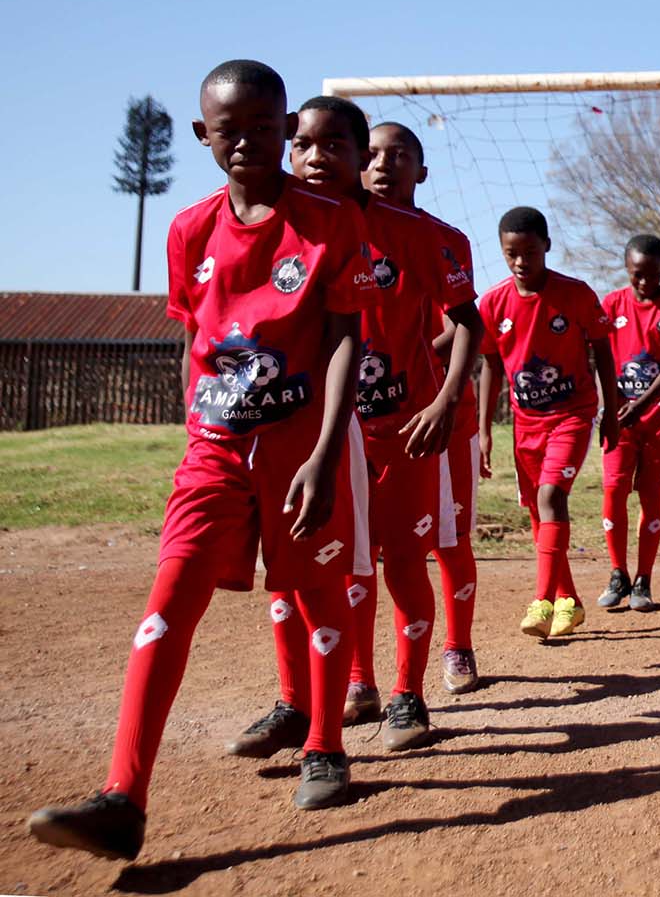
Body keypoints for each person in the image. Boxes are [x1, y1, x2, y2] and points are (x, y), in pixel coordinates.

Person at [29, 61, 377, 859]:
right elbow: (193, 331)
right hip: (215, 448)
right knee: (171, 595)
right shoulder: (188, 228)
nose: (247, 140)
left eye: (264, 127)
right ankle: (123, 796)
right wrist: (197, 426)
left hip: (299, 443)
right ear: (203, 135)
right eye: (230, 129)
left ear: (286, 131)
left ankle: (325, 743)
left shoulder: (330, 222)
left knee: (316, 591)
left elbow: (344, 338)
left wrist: (325, 451)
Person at [239, 97, 479, 755]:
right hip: (310, 432)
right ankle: (335, 690)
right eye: (305, 145)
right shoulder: (279, 224)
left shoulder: (422, 234)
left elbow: (469, 322)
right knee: (316, 568)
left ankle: (409, 693)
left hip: (400, 428)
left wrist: (445, 401)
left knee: (402, 561)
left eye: (340, 146)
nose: (322, 158)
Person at [363, 122, 485, 693]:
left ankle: (457, 647)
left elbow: (463, 325)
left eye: (399, 155)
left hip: (436, 417)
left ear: (422, 171)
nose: (383, 165)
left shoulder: (442, 240)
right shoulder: (335, 230)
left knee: (446, 539)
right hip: (359, 421)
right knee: (359, 551)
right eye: (371, 154)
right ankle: (358, 678)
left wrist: (423, 374)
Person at [476, 207, 618, 641]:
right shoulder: (493, 303)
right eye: (511, 253)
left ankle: (542, 602)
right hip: (526, 424)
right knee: (539, 512)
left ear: (547, 247)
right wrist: (485, 430)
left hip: (572, 414)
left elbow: (604, 352)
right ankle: (569, 602)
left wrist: (611, 412)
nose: (521, 261)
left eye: (530, 252)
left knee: (552, 495)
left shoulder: (574, 295)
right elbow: (490, 366)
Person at [598, 233, 660, 612]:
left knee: (652, 497)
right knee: (613, 491)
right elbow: (601, 358)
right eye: (638, 274)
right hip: (620, 418)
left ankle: (643, 580)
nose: (645, 282)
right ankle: (617, 572)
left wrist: (640, 406)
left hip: (658, 419)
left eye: (652, 275)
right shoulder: (611, 304)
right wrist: (609, 408)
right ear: (627, 269)